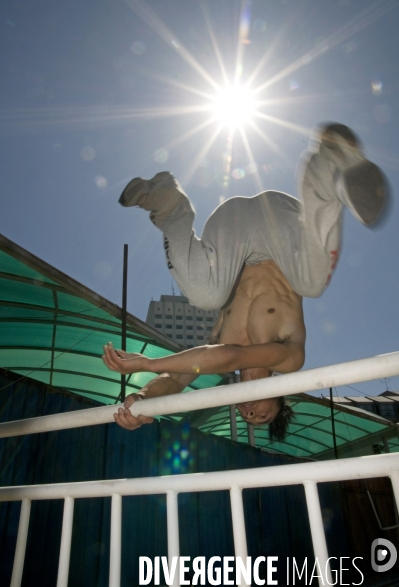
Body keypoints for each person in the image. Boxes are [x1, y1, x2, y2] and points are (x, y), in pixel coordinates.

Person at [102, 123, 388, 440]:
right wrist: (146, 364)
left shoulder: (218, 338)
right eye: (263, 414)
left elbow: (175, 379)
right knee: (312, 284)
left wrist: (143, 403)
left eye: (246, 415)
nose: (250, 412)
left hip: (233, 234)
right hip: (279, 233)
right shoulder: (290, 356)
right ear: (279, 394)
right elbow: (231, 357)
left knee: (204, 296)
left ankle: (170, 205)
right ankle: (327, 169)